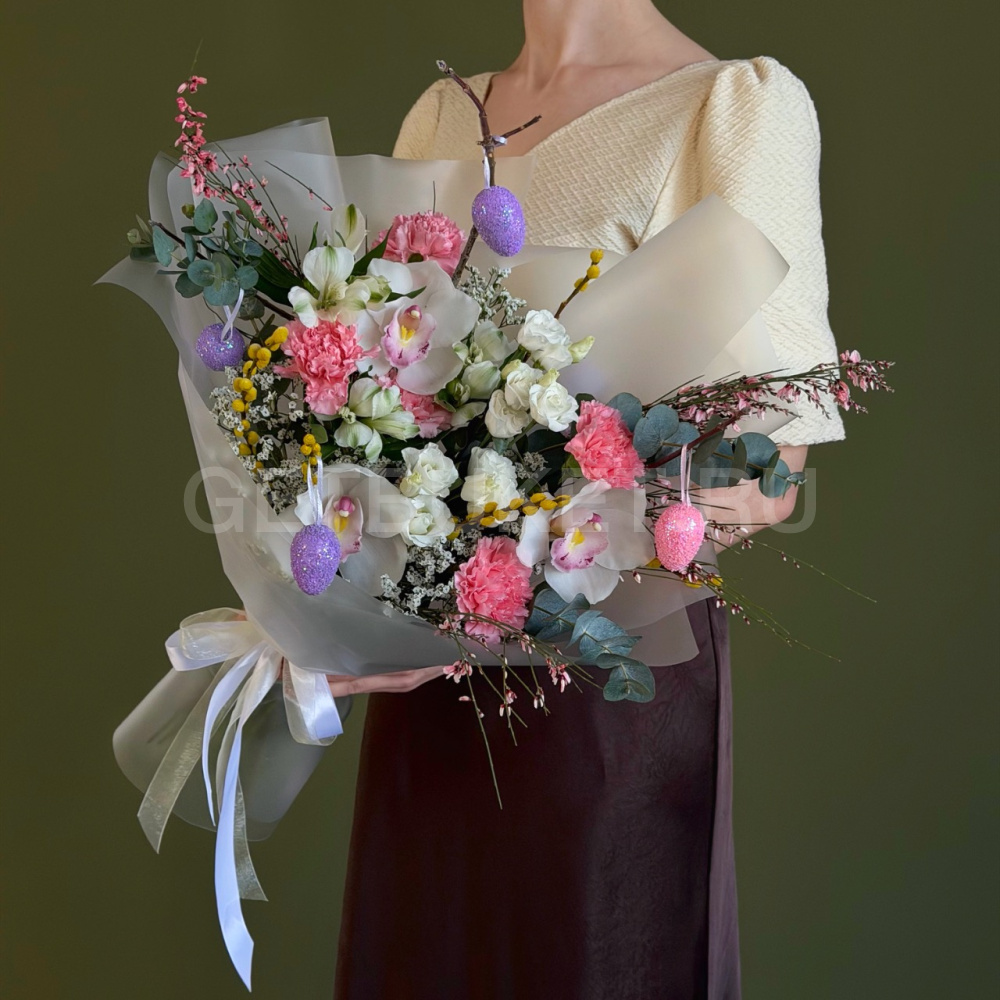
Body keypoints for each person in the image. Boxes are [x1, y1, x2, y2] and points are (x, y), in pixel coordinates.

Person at [334, 2, 845, 997]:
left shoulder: (731, 109)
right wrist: (347, 589)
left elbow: (767, 477)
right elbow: (376, 397)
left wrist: (513, 567)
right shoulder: (442, 116)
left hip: (608, 682)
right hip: (430, 683)